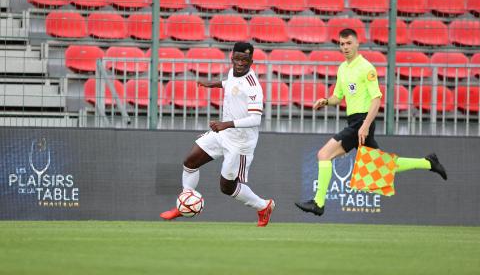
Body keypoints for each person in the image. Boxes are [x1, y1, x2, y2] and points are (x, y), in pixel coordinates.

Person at [295, 28, 447, 216]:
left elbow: (376, 99)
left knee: (323, 154)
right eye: (342, 44)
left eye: (349, 43)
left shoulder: (366, 68)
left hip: (361, 122)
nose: (345, 47)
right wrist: (326, 101)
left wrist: (365, 125)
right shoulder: (343, 68)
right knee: (382, 164)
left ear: (357, 43)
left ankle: (318, 203)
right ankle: (428, 163)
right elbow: (338, 96)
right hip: (355, 123)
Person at [160, 42, 275, 227]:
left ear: (251, 61)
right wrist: (212, 84)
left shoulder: (253, 86)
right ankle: (185, 202)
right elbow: (231, 84)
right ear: (232, 58)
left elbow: (255, 119)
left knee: (227, 187)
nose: (239, 63)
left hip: (240, 142)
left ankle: (264, 206)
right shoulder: (233, 73)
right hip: (223, 133)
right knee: (190, 162)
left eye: (244, 60)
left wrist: (225, 124)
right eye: (236, 59)